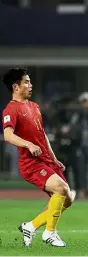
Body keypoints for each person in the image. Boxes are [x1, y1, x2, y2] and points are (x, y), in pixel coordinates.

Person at [1, 68, 74, 247]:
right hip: (31, 163)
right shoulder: (10, 109)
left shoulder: (34, 106)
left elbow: (43, 135)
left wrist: (54, 157)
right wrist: (28, 145)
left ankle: (31, 226)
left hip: (46, 160)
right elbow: (8, 135)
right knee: (61, 188)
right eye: (26, 82)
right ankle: (50, 233)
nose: (30, 85)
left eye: (30, 81)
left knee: (67, 199)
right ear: (15, 87)